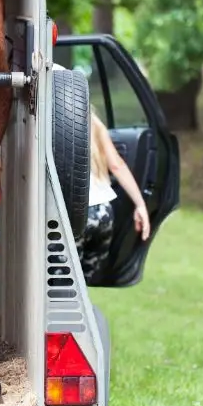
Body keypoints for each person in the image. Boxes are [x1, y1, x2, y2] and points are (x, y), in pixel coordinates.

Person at [76, 110, 151, 282]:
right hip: (104, 214)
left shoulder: (52, 118)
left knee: (64, 282)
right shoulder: (93, 121)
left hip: (76, 213)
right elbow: (116, 166)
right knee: (83, 282)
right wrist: (140, 205)